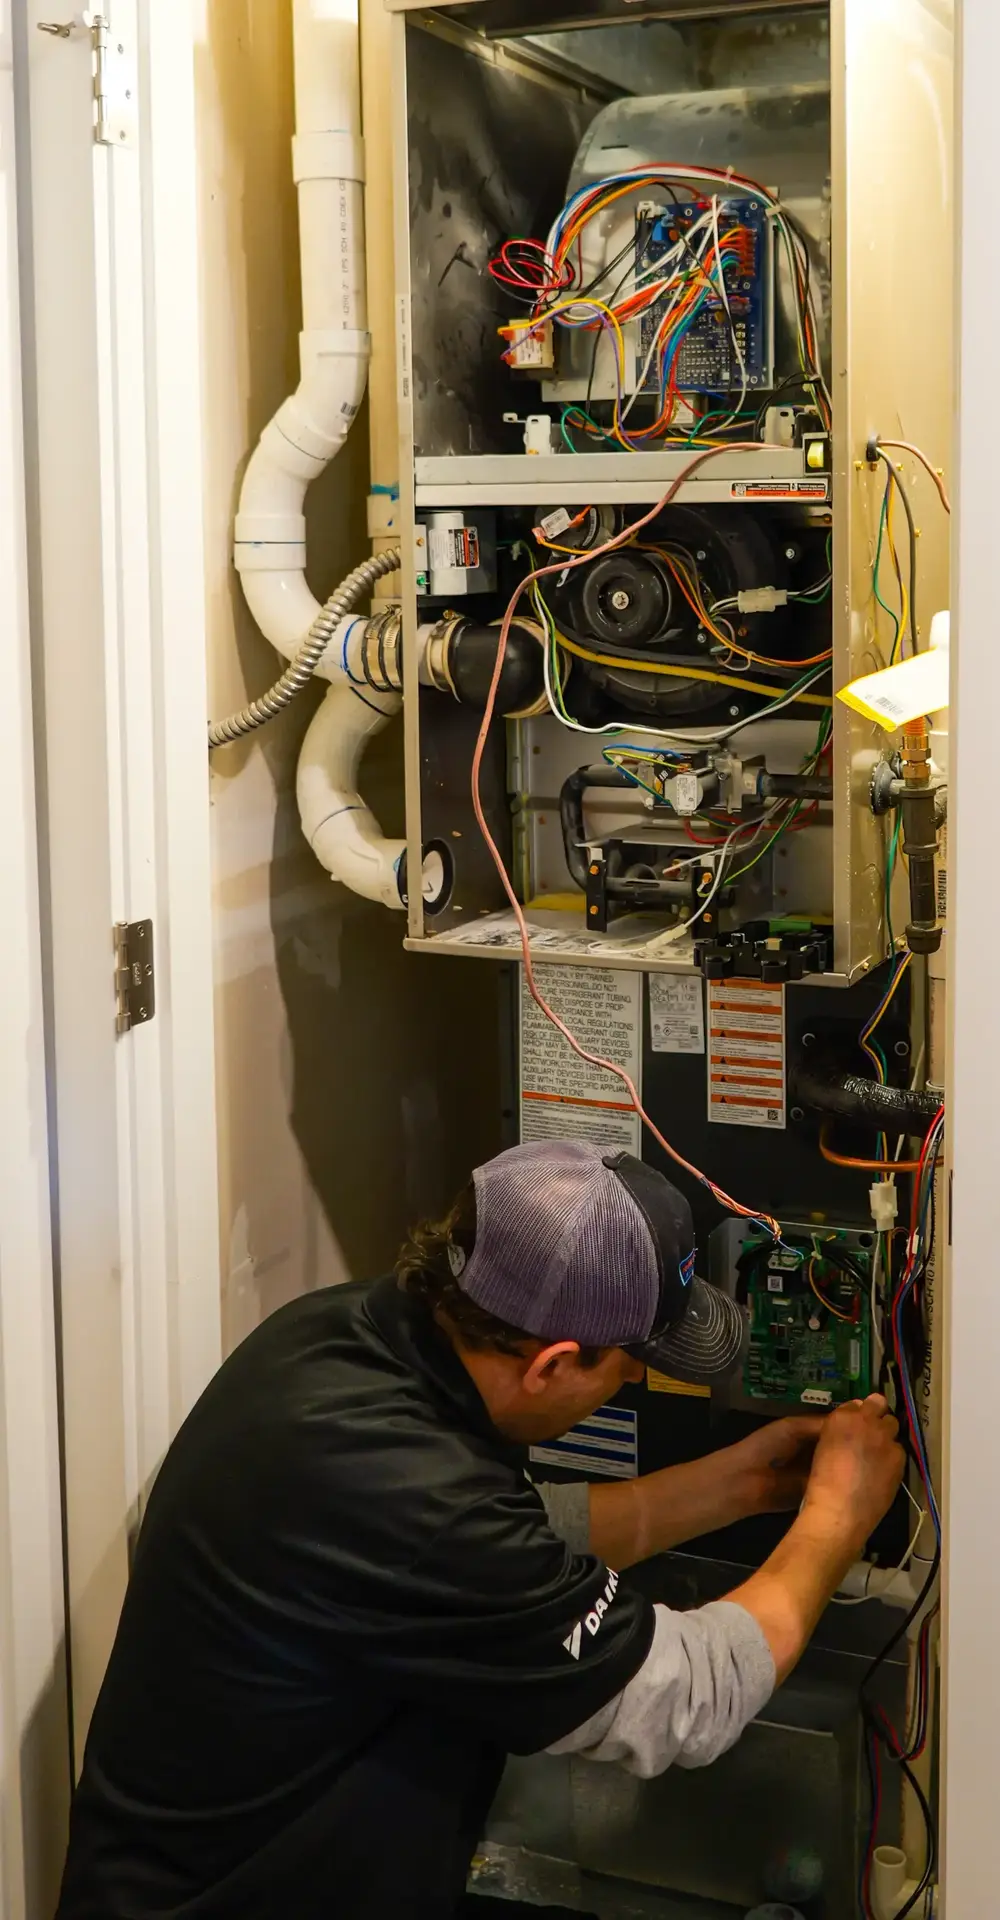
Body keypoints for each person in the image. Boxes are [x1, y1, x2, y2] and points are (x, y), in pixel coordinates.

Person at [55, 1140, 904, 1920]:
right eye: (629, 1366)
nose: (630, 1384)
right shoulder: (417, 1501)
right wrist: (837, 1520)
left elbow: (514, 1536)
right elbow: (690, 1699)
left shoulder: (341, 1335)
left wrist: (738, 1487)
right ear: (552, 1365)